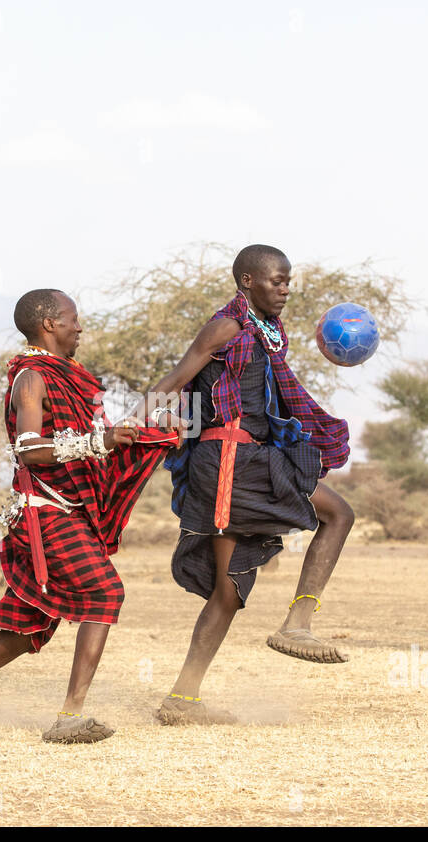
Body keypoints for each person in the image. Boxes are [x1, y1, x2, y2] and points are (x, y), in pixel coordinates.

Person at [0, 289, 176, 742]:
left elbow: (91, 448)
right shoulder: (31, 379)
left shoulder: (69, 376)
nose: (80, 327)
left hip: (67, 511)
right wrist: (100, 443)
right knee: (105, 593)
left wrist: (145, 438)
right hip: (44, 514)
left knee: (29, 625)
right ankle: (70, 716)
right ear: (50, 325)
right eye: (74, 319)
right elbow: (29, 449)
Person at [146, 245, 355, 725]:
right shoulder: (226, 327)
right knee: (339, 514)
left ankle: (182, 699)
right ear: (247, 281)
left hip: (245, 457)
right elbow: (172, 383)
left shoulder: (266, 332)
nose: (284, 289)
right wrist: (130, 429)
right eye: (276, 281)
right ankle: (298, 624)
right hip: (230, 461)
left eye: (287, 281)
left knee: (229, 590)